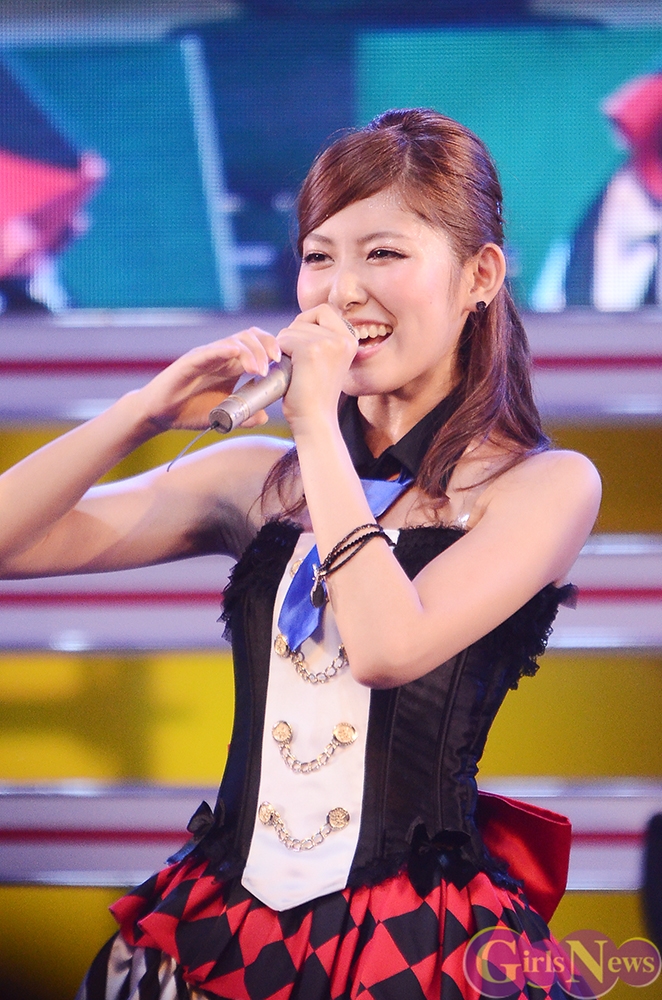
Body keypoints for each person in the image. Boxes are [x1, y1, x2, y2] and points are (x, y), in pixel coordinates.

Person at [0, 109, 600, 1000]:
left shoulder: (543, 486)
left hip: (418, 939)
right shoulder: (257, 478)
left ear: (480, 276)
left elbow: (389, 646)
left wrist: (314, 423)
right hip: (219, 921)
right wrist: (142, 412)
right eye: (320, 256)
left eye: (383, 254)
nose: (342, 292)